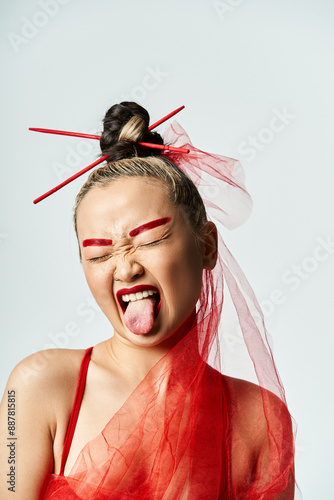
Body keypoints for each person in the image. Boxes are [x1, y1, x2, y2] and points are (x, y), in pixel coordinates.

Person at [0, 102, 296, 499]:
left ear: (206, 245)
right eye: (99, 254)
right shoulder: (36, 388)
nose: (125, 269)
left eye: (150, 239)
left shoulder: (261, 420)